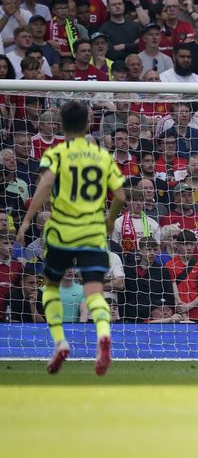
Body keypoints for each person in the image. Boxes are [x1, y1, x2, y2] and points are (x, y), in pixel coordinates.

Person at [15, 100, 126, 375]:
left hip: (61, 231)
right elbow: (122, 196)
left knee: (50, 287)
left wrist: (27, 220)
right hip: (92, 232)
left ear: (62, 125)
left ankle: (60, 342)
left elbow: (46, 184)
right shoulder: (101, 156)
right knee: (94, 291)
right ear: (89, 124)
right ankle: (103, 333)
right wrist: (110, 220)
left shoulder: (56, 153)